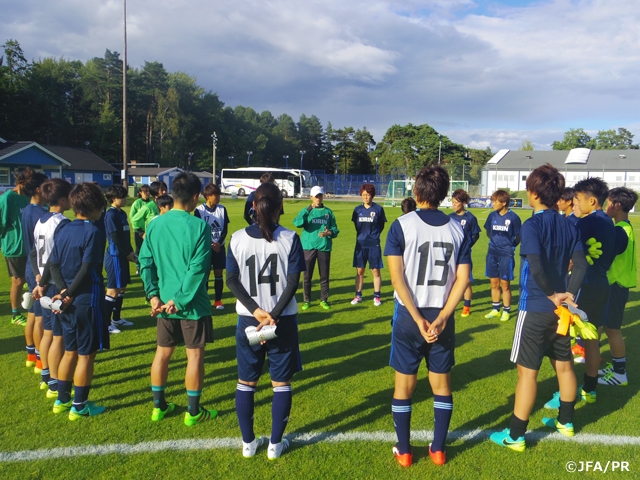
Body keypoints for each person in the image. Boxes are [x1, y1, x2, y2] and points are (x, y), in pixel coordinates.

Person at [489, 164, 587, 452]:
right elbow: (580, 264)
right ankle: (565, 422)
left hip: (535, 306)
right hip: (561, 311)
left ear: (533, 193)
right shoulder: (569, 224)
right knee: (565, 367)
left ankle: (516, 436)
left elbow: (536, 265)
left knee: (527, 373)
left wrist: (553, 294)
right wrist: (568, 293)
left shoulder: (532, 224)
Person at [384, 166, 471, 468]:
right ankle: (438, 449)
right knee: (441, 385)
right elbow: (463, 279)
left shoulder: (401, 225)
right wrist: (445, 316)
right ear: (445, 194)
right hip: (441, 315)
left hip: (410, 315)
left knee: (404, 386)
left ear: (416, 192)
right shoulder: (458, 228)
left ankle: (405, 451)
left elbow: (396, 279)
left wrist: (416, 318)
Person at [227, 182, 306, 459]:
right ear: (280, 207)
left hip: (249, 320)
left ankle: (248, 444)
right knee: (280, 383)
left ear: (253, 206)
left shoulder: (236, 238)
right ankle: (274, 445)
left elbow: (231, 280)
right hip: (280, 321)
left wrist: (256, 310)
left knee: (246, 383)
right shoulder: (290, 238)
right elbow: (295, 280)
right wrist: (272, 313)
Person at [139, 172, 216, 426]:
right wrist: (179, 300)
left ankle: (158, 406)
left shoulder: (155, 224)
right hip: (192, 304)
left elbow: (145, 262)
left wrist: (153, 296)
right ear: (195, 197)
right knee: (194, 356)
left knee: (162, 353)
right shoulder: (200, 227)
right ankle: (193, 412)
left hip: (163, 303)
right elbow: (197, 270)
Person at [544, 177, 616, 407]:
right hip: (601, 284)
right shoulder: (608, 221)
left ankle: (565, 393)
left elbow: (573, 259)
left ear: (592, 200)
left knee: (562, 338)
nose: (575, 202)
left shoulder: (585, 224)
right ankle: (590, 388)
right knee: (591, 337)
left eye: (578, 198)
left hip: (582, 286)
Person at [47, 182, 108, 420]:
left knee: (69, 351)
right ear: (94, 206)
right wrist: (70, 292)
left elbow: (53, 264)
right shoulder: (93, 231)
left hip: (66, 302)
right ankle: (79, 405)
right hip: (85, 299)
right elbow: (86, 268)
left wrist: (62, 291)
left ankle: (62, 399)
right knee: (86, 355)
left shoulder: (63, 228)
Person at [31, 178, 72, 399]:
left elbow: (36, 254)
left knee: (49, 332)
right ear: (64, 199)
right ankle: (56, 382)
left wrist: (39, 281)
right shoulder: (61, 223)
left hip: (44, 282)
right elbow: (55, 259)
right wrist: (61, 287)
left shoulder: (41, 221)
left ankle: (46, 375)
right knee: (58, 337)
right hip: (55, 282)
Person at [598, 187, 638, 386]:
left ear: (617, 205)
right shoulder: (624, 228)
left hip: (616, 285)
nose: (606, 206)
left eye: (608, 202)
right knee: (609, 327)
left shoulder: (620, 231)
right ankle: (615, 367)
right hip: (618, 285)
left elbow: (607, 257)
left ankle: (620, 374)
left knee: (612, 329)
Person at [293, 186, 339, 311]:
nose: (318, 198)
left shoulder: (328, 212)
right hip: (308, 247)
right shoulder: (306, 211)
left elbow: (335, 230)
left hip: (324, 247)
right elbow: (297, 223)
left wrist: (329, 233)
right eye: (316, 196)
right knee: (307, 276)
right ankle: (306, 300)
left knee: (324, 276)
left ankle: (324, 300)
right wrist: (308, 209)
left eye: (320, 195)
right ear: (311, 197)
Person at [21, 172, 48, 376]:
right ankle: (40, 359)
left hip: (31, 268)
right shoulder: (38, 213)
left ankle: (31, 354)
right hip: (38, 269)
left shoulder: (28, 210)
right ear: (38, 189)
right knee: (39, 317)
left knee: (32, 313)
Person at [0, 166, 33, 326]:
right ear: (21, 180)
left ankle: (29, 307)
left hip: (29, 247)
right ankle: (15, 313)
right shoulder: (7, 198)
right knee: (18, 281)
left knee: (29, 279)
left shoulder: (28, 198)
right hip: (14, 247)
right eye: (29, 179)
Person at [484, 190, 522, 322]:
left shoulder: (513, 217)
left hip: (506, 254)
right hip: (492, 253)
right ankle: (495, 309)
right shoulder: (491, 216)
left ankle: (506, 310)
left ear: (504, 202)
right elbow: (489, 232)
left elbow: (518, 236)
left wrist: (510, 246)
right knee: (494, 283)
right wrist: (495, 243)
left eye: (495, 201)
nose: (492, 203)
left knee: (505, 284)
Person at [103, 185, 136, 334]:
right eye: (122, 197)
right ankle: (106, 323)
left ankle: (116, 318)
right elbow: (115, 238)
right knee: (113, 290)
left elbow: (125, 236)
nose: (125, 199)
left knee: (122, 288)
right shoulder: (110, 214)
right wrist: (128, 253)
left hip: (123, 254)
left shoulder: (121, 213)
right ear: (113, 199)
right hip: (115, 255)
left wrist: (131, 252)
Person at [350, 183, 387, 306]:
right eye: (363, 195)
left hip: (374, 244)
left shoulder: (378, 209)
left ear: (372, 195)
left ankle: (377, 296)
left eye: (368, 195)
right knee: (360, 271)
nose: (365, 197)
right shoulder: (357, 210)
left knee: (375, 271)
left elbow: (381, 226)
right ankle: (358, 295)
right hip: (360, 244)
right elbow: (357, 226)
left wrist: (373, 236)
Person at [195, 183, 230, 310]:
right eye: (216, 195)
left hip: (219, 247)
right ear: (208, 196)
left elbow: (225, 229)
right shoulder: (199, 211)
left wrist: (218, 243)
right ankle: (205, 301)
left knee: (218, 273)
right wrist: (210, 244)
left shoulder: (222, 209)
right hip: (205, 248)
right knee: (205, 274)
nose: (218, 197)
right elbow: (198, 231)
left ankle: (218, 300)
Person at [448, 189, 481, 317]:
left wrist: (467, 246)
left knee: (465, 281)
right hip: (451, 254)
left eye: (456, 202)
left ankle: (466, 306)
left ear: (463, 203)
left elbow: (475, 235)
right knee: (450, 280)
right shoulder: (450, 217)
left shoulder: (470, 218)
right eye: (452, 202)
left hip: (464, 255)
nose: (453, 204)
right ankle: (450, 304)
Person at [130, 185, 151, 274]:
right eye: (145, 192)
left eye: (148, 191)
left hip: (149, 231)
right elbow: (132, 217)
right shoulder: (137, 203)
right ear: (140, 193)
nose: (147, 194)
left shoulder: (152, 202)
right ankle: (138, 266)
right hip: (139, 231)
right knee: (139, 248)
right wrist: (139, 230)